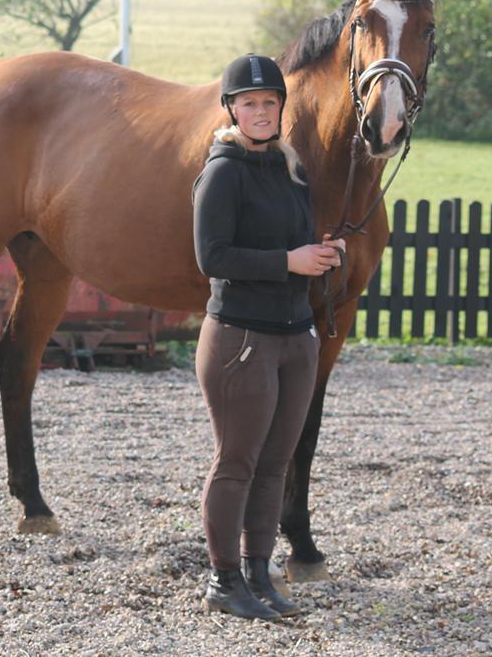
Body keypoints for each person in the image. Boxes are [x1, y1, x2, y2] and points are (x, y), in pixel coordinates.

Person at [192, 53, 345, 621]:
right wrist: (289, 261)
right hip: (241, 340)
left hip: (294, 337)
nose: (261, 111)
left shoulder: (290, 168)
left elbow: (301, 242)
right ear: (231, 109)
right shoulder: (222, 171)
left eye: (270, 102)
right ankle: (223, 580)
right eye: (250, 103)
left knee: (276, 464)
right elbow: (212, 256)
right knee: (237, 462)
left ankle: (260, 572)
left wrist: (325, 255)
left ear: (282, 108)